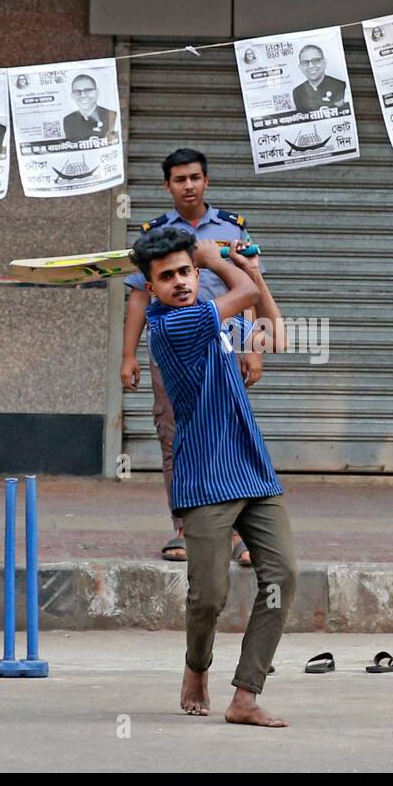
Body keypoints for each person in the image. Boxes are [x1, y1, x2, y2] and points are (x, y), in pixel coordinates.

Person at [128, 227, 296, 728]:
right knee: (209, 595)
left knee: (283, 576)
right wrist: (221, 262)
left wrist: (250, 270)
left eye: (185, 271)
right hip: (205, 476)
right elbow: (240, 296)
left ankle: (245, 694)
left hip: (252, 467)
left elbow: (271, 326)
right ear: (151, 287)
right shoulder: (172, 327)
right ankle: (196, 667)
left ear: (196, 276)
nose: (179, 282)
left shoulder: (211, 313)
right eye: (166, 277)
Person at [121, 149, 263, 565]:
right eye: (179, 179)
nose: (188, 185)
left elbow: (249, 285)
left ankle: (237, 533)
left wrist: (252, 347)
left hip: (223, 346)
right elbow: (136, 297)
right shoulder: (155, 235)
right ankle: (183, 527)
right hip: (174, 352)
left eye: (195, 177)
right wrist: (128, 355)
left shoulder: (231, 227)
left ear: (207, 181)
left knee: (229, 434)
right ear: (167, 185)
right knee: (174, 436)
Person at [291, 45, 348, 112]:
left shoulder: (341, 86)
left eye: (316, 60)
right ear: (300, 67)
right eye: (305, 62)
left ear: (324, 62)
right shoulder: (297, 92)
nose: (311, 66)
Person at [62, 74, 118, 140]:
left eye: (88, 90)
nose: (83, 95)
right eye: (77, 91)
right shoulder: (68, 120)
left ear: (97, 93)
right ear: (72, 95)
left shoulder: (111, 116)